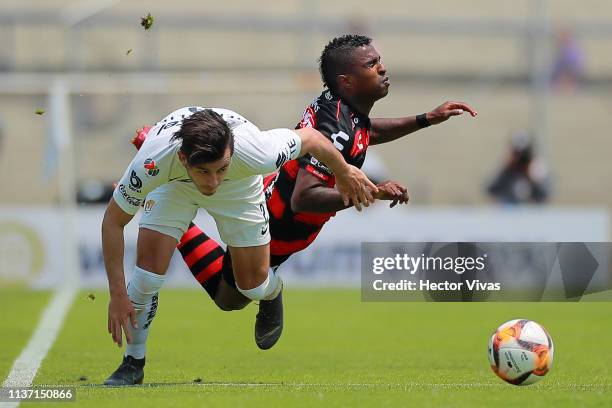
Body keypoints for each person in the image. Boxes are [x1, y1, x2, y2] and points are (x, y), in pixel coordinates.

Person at [131, 35, 477, 356]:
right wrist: (372, 192)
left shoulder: (343, 112)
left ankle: (182, 217)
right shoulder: (337, 125)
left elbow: (364, 133)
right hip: (278, 224)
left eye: (379, 61)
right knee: (230, 298)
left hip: (283, 216)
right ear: (347, 82)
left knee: (231, 294)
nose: (382, 68)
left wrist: (426, 119)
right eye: (371, 65)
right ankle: (204, 237)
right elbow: (304, 197)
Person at [103, 106, 376, 385]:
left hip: (240, 184)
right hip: (173, 185)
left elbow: (312, 138)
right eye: (204, 171)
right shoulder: (152, 161)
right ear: (184, 158)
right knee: (145, 279)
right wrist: (117, 294)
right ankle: (133, 362)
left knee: (251, 286)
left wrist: (343, 172)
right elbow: (113, 223)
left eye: (219, 168)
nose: (212, 182)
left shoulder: (257, 150)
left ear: (230, 150)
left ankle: (272, 291)